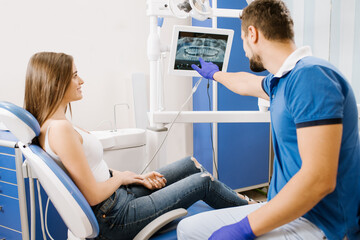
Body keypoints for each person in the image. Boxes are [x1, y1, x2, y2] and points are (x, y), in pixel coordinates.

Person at [177, 0, 360, 239]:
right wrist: (215, 74)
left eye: (243, 39)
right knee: (188, 229)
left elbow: (319, 179)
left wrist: (243, 229)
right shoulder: (283, 80)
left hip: (320, 223)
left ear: (252, 34)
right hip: (286, 208)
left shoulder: (311, 77)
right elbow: (246, 83)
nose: (244, 50)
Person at [22, 51, 252, 240]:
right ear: (55, 83)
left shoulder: (54, 124)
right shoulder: (59, 129)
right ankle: (255, 212)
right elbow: (92, 195)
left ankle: (243, 205)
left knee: (190, 164)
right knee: (204, 183)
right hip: (114, 217)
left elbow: (91, 171)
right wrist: (121, 179)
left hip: (117, 198)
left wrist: (127, 176)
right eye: (74, 76)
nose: (81, 81)